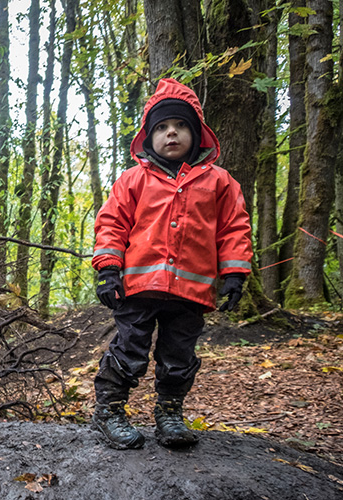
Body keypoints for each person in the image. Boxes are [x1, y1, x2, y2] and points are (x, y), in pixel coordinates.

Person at [91, 78, 252, 449]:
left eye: (180, 126)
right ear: (148, 137)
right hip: (138, 287)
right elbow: (112, 224)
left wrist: (234, 273)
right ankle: (109, 409)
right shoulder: (133, 180)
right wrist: (108, 269)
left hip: (191, 291)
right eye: (162, 128)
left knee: (179, 355)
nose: (171, 134)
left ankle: (170, 412)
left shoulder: (220, 183)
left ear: (197, 134)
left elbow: (234, 228)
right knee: (129, 348)